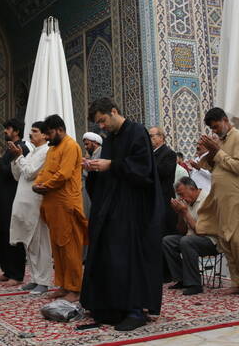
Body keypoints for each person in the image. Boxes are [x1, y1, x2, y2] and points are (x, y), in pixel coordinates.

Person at [83, 98, 162, 331]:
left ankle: (135, 309)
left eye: (103, 120)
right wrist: (94, 169)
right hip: (112, 208)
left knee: (128, 259)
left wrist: (111, 165)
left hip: (132, 210)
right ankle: (113, 306)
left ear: (114, 111)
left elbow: (142, 169)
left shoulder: (137, 132)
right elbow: (110, 169)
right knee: (110, 256)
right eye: (98, 123)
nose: (101, 126)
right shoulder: (111, 140)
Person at [195, 107, 239, 299]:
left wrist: (217, 151)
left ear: (224, 120)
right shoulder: (220, 141)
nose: (215, 131)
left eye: (216, 127)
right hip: (221, 200)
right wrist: (210, 152)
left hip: (237, 199)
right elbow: (214, 166)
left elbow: (238, 167)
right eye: (212, 129)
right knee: (226, 243)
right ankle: (236, 282)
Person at [32, 115, 87, 302]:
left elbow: (63, 174)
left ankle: (75, 288)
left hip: (66, 204)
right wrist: (38, 183)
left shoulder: (71, 146)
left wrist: (44, 186)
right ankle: (63, 285)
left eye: (48, 133)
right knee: (57, 247)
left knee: (70, 247)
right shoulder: (53, 149)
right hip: (52, 205)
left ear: (59, 130)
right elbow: (44, 172)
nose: (46, 137)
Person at [9, 121, 52, 294]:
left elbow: (30, 173)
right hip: (24, 202)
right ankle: (35, 279)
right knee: (30, 243)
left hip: (36, 203)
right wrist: (15, 158)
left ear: (44, 135)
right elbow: (17, 175)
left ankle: (44, 281)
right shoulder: (33, 152)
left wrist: (19, 157)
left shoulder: (46, 152)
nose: (31, 134)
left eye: (35, 131)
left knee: (41, 243)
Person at [0, 119, 28, 284]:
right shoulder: (8, 149)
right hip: (1, 198)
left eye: (8, 129)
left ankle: (17, 274)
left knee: (12, 236)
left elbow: (10, 174)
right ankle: (7, 270)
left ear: (16, 131)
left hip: (11, 197)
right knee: (1, 235)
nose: (4, 131)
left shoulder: (20, 149)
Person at [162, 177, 217, 296]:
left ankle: (194, 284)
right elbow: (181, 231)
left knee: (187, 241)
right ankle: (181, 279)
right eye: (178, 195)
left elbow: (200, 232)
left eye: (181, 194)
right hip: (191, 239)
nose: (180, 198)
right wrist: (180, 214)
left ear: (192, 189)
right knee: (167, 241)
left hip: (211, 240)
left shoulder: (206, 200)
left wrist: (186, 212)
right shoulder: (187, 202)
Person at [149, 126, 178, 282]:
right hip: (152, 201)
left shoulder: (169, 154)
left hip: (164, 202)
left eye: (152, 136)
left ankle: (168, 273)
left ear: (161, 137)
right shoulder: (151, 155)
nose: (150, 139)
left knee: (165, 235)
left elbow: (163, 172)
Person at [81, 132, 103, 217]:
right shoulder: (92, 155)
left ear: (95, 143)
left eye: (87, 144)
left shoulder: (101, 152)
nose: (86, 147)